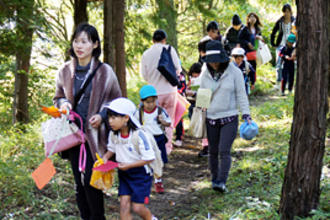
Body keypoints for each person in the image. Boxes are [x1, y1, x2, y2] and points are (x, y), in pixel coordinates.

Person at [53, 23, 122, 220]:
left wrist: (101, 115)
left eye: (84, 41)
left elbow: (116, 101)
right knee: (78, 182)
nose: (79, 46)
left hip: (95, 136)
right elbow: (57, 96)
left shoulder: (105, 71)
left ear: (95, 45)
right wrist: (64, 104)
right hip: (74, 135)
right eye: (76, 41)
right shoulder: (64, 71)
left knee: (93, 182)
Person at [200, 40, 251, 192]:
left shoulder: (234, 71)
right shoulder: (205, 72)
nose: (214, 64)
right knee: (213, 151)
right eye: (211, 62)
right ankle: (214, 180)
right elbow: (203, 95)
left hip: (229, 116)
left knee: (224, 150)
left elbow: (242, 94)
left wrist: (246, 113)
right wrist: (200, 109)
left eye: (216, 61)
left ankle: (222, 181)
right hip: (211, 117)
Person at [102, 98, 157, 220]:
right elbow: (112, 148)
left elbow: (149, 158)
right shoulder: (114, 134)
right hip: (124, 173)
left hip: (141, 175)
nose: (110, 121)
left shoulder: (139, 135)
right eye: (109, 117)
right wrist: (105, 158)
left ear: (126, 118)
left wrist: (129, 165)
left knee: (138, 207)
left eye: (114, 117)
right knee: (124, 205)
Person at [140, 29, 182, 155]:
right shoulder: (169, 49)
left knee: (153, 120)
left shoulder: (146, 54)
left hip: (153, 93)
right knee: (169, 119)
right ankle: (167, 148)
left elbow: (144, 75)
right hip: (170, 91)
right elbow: (178, 69)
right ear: (164, 40)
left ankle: (154, 147)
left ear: (152, 40)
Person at [134, 85, 171, 194]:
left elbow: (168, 122)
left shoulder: (160, 111)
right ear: (142, 101)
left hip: (158, 138)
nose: (151, 104)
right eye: (148, 102)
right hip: (146, 140)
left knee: (159, 160)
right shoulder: (139, 113)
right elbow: (134, 124)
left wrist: (162, 121)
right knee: (146, 160)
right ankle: (147, 181)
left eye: (153, 101)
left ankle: (158, 180)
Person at [270, 3, 295, 88]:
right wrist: (273, 43)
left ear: (291, 12)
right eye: (285, 11)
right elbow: (273, 32)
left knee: (291, 64)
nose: (286, 13)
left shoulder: (294, 21)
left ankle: (288, 82)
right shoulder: (280, 21)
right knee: (279, 63)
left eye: (288, 11)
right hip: (281, 44)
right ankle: (278, 82)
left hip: (291, 45)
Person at [174, 70, 186, 147]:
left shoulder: (181, 76)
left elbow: (183, 87)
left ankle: (179, 138)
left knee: (178, 118)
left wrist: (178, 91)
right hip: (168, 98)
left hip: (179, 98)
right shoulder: (166, 72)